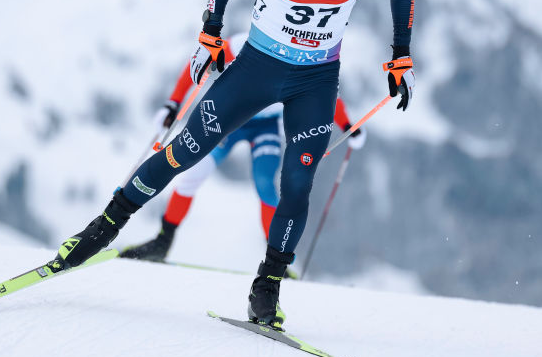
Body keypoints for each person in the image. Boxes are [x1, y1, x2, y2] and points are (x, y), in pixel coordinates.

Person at [54, 0, 415, 329]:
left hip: (316, 79)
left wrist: (400, 55)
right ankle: (102, 229)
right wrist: (211, 30)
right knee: (185, 151)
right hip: (258, 68)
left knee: (298, 182)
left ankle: (267, 286)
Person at [121, 32, 367, 263]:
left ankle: (273, 262)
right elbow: (197, 65)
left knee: (264, 183)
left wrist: (347, 124)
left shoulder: (300, 53)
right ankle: (162, 242)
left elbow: (320, 94)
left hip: (265, 126)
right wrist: (172, 103)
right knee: (191, 176)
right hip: (230, 119)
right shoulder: (242, 44)